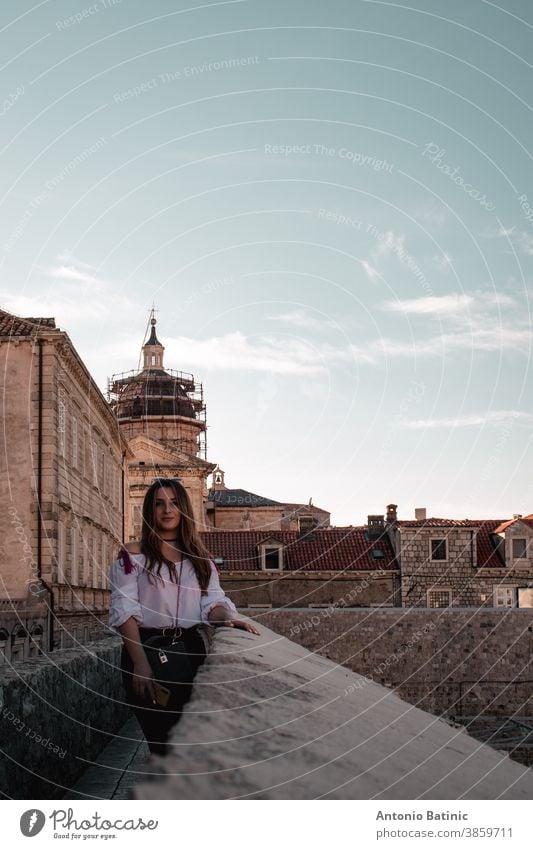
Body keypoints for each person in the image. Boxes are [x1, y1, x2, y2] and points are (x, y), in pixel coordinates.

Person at [109, 477, 259, 755]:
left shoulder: (201, 560)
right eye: (159, 504)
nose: (167, 510)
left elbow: (211, 601)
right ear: (149, 511)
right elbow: (125, 611)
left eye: (175, 503)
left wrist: (227, 617)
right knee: (161, 742)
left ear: (184, 509)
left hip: (190, 653)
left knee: (187, 743)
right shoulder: (134, 555)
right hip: (147, 650)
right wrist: (141, 665)